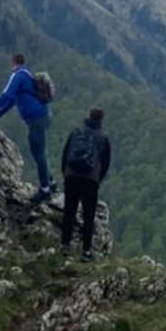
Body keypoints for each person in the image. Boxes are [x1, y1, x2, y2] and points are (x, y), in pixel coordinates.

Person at [0, 52, 53, 201]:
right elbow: (11, 102)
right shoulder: (26, 76)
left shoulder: (18, 76)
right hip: (41, 116)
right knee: (37, 150)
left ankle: (46, 189)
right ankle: (50, 181)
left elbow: (7, 96)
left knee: (39, 151)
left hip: (36, 118)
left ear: (14, 63)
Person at [60, 107, 111, 260]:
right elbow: (106, 163)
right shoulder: (103, 138)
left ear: (88, 117)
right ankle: (86, 251)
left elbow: (65, 154)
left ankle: (64, 245)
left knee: (69, 211)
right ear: (101, 119)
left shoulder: (76, 132)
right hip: (90, 180)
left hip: (71, 176)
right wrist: (97, 179)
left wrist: (66, 173)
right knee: (89, 216)